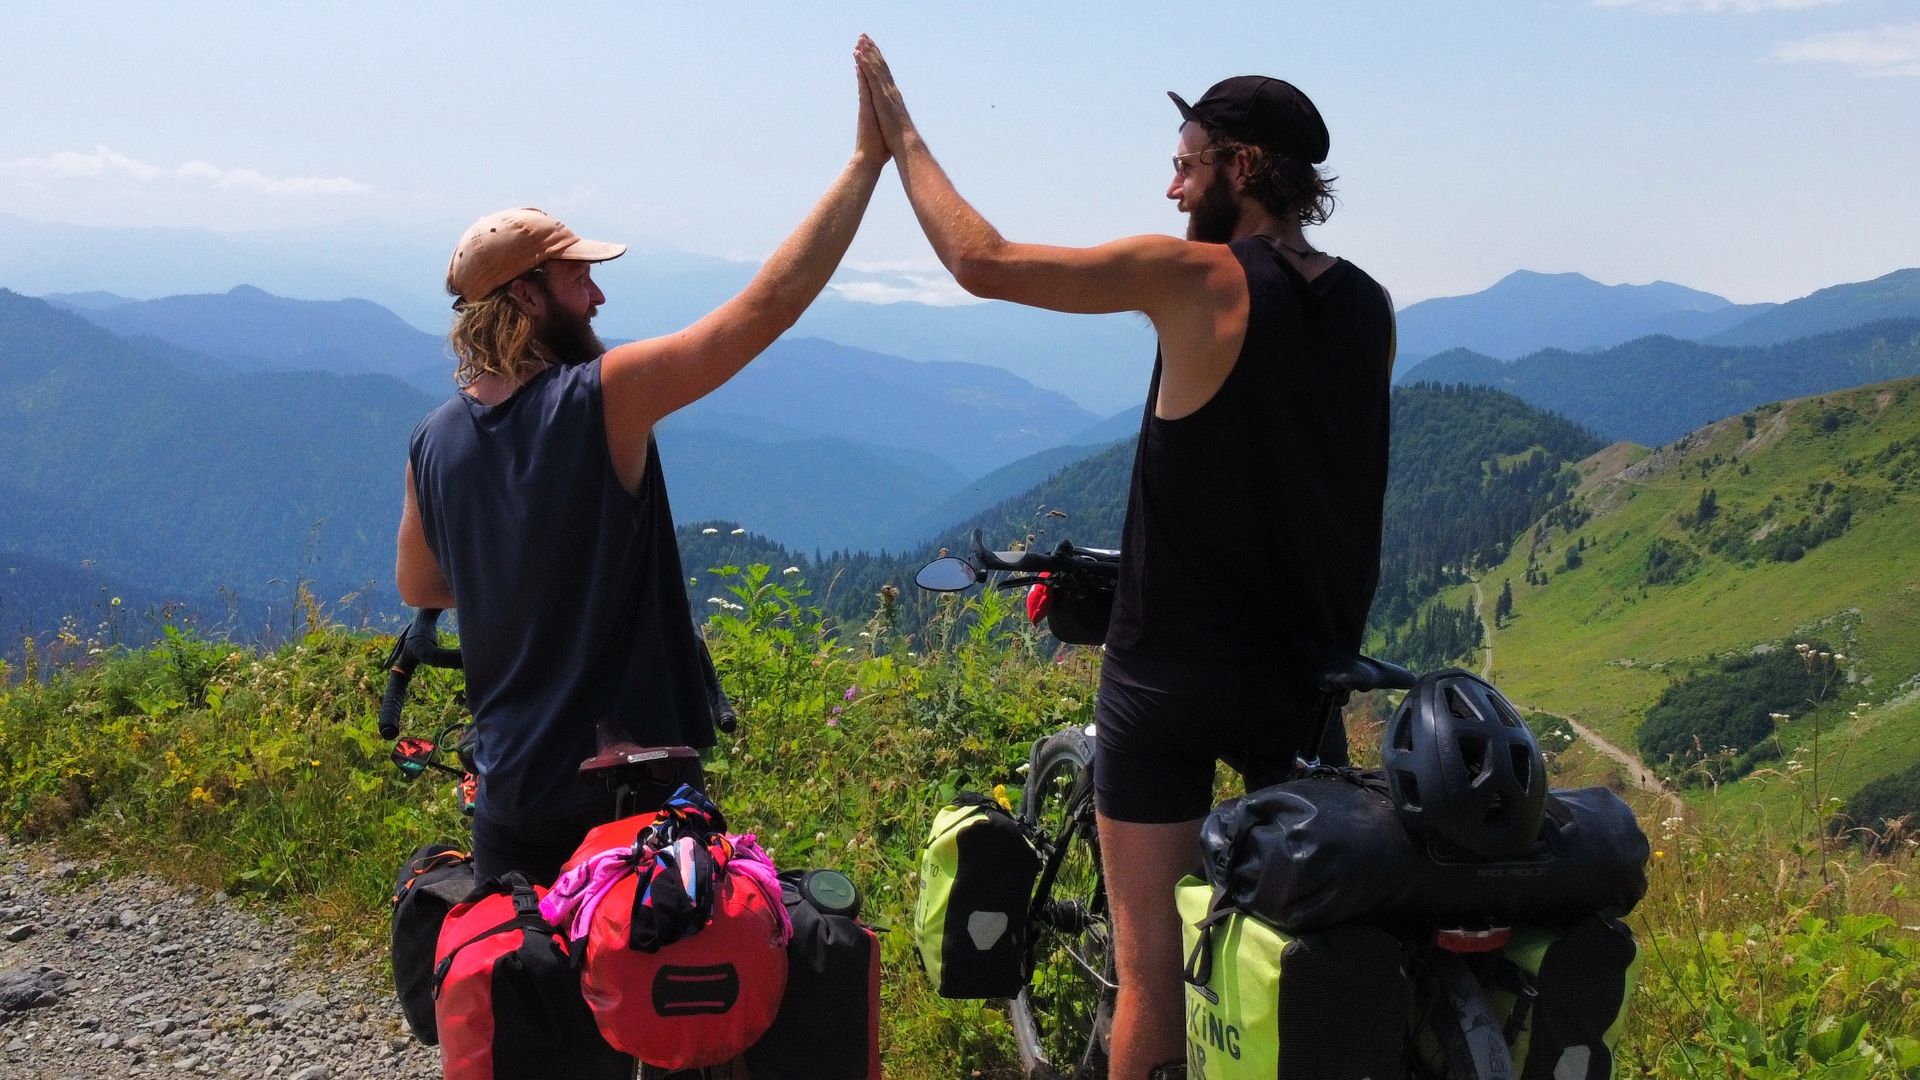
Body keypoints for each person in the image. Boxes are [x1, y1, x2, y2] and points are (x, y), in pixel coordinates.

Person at [855, 38, 1395, 1079]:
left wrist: (901, 135)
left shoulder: (1196, 276)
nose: (1171, 182)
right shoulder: (1370, 309)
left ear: (1242, 167)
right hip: (1307, 674)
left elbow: (983, 262)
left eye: (1187, 160)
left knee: (1148, 972)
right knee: (1305, 949)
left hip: (1174, 672)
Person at [396, 63, 890, 887]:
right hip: (629, 791)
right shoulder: (603, 398)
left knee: (529, 993)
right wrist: (864, 167)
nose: (596, 297)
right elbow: (764, 310)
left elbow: (425, 583)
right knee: (653, 1002)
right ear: (524, 296)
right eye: (578, 277)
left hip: (511, 793)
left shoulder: (432, 441)